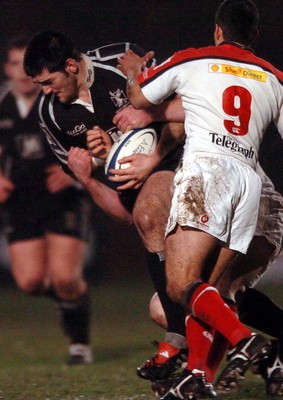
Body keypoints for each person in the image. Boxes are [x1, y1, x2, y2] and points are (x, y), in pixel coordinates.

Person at [117, 0, 283, 398]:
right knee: (211, 288)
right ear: (254, 37)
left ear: (218, 31)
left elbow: (140, 101)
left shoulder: (194, 58)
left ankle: (244, 341)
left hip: (207, 172)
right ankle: (198, 375)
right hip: (249, 181)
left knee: (180, 285)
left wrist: (132, 75)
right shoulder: (274, 77)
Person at [22, 31, 189, 376]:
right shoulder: (51, 115)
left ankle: (179, 342)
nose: (45, 91)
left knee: (150, 220)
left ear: (71, 65)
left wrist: (150, 138)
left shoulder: (123, 59)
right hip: (145, 193)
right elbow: (123, 214)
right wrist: (89, 172)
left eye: (49, 81)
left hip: (183, 162)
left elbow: (188, 112)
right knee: (174, 299)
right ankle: (253, 344)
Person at [0, 36, 93, 365]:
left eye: (26, 65)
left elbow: (90, 138)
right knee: (30, 282)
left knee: (65, 277)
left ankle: (79, 343)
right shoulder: (2, 105)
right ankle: (71, 301)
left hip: (61, 197)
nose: (22, 73)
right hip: (20, 202)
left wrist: (72, 169)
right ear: (7, 69)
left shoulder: (58, 97)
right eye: (14, 64)